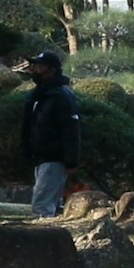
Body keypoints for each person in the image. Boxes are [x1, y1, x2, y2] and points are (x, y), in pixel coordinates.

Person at [20, 52, 81, 217]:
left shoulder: (61, 96)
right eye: (35, 65)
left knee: (42, 206)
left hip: (54, 158)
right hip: (40, 158)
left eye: (40, 66)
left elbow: (70, 130)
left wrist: (71, 162)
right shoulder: (38, 95)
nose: (35, 69)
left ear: (52, 70)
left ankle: (43, 239)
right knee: (50, 204)